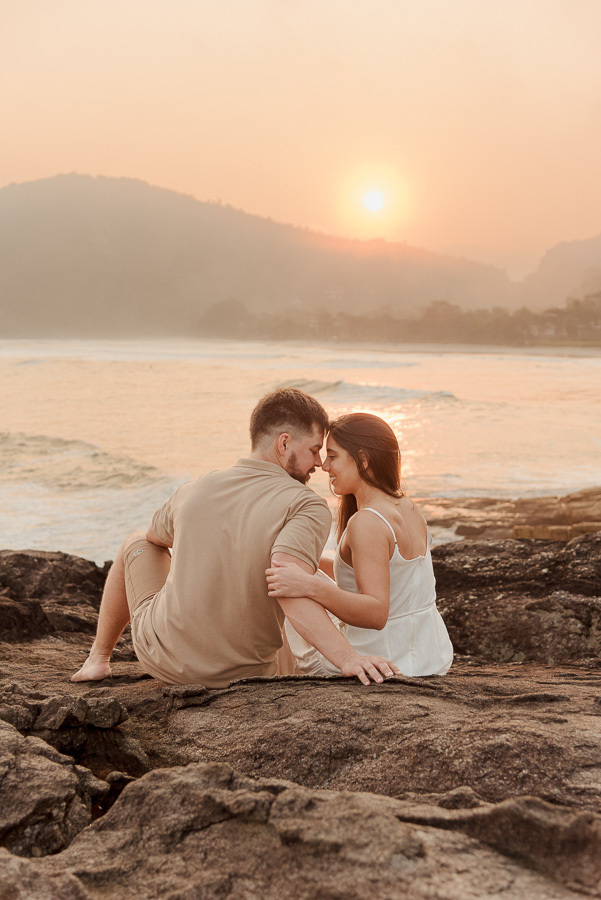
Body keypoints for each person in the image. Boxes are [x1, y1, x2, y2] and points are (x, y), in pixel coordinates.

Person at [72, 389, 401, 689]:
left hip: (165, 662)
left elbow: (154, 539)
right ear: (283, 443)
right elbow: (289, 588)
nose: (319, 462)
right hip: (248, 674)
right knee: (293, 576)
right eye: (314, 450)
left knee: (136, 543)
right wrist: (348, 659)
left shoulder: (193, 490)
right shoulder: (306, 505)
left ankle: (97, 660)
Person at [266, 412, 453, 677]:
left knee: (285, 581)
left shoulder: (367, 523)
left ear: (363, 459)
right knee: (294, 572)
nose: (324, 466)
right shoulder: (408, 507)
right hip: (429, 654)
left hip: (384, 659)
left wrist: (309, 584)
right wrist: (309, 564)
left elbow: (375, 613)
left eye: (333, 456)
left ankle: (270, 675)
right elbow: (379, 574)